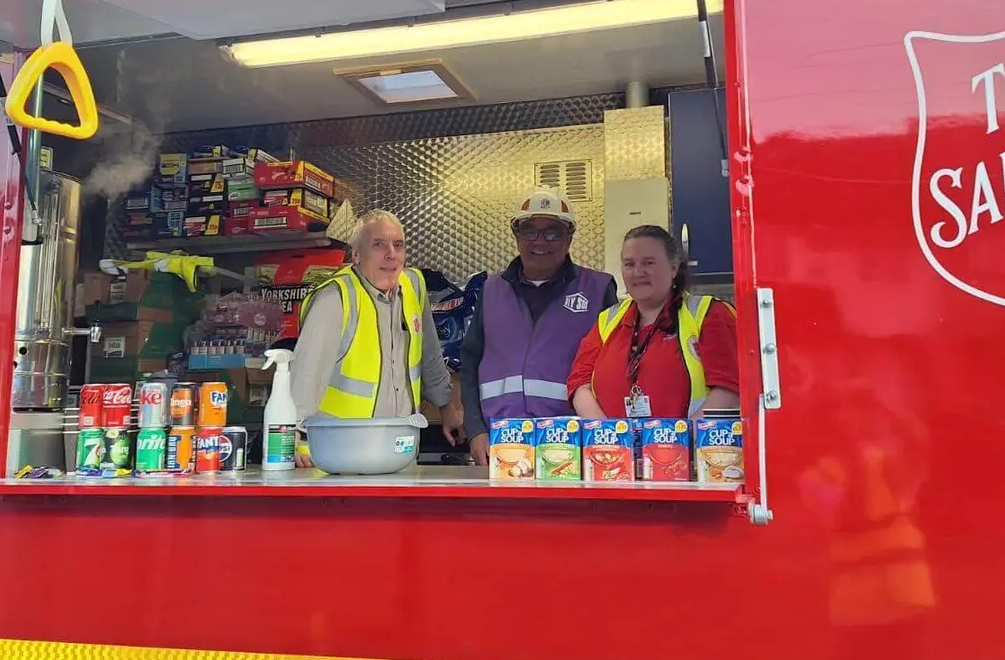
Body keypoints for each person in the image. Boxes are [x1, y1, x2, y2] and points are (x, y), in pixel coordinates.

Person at [454, 189, 618, 464]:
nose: (540, 241)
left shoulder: (598, 289)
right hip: (501, 443)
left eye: (552, 232)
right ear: (517, 237)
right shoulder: (491, 290)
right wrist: (475, 430)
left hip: (572, 443)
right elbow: (469, 363)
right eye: (530, 231)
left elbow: (615, 369)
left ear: (569, 238)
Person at [292, 209, 460, 467]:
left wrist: (446, 405)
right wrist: (296, 438)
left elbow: (430, 352)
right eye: (378, 245)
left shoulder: (413, 285)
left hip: (399, 452)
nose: (391, 254)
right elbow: (305, 376)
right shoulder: (336, 298)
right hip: (340, 456)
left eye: (398, 245)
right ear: (356, 254)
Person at [569, 225, 738, 419]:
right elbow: (578, 383)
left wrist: (683, 438)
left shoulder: (709, 314)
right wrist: (611, 436)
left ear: (674, 268)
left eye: (648, 263)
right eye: (629, 264)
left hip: (690, 446)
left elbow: (730, 389)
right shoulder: (607, 320)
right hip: (614, 447)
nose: (638, 272)